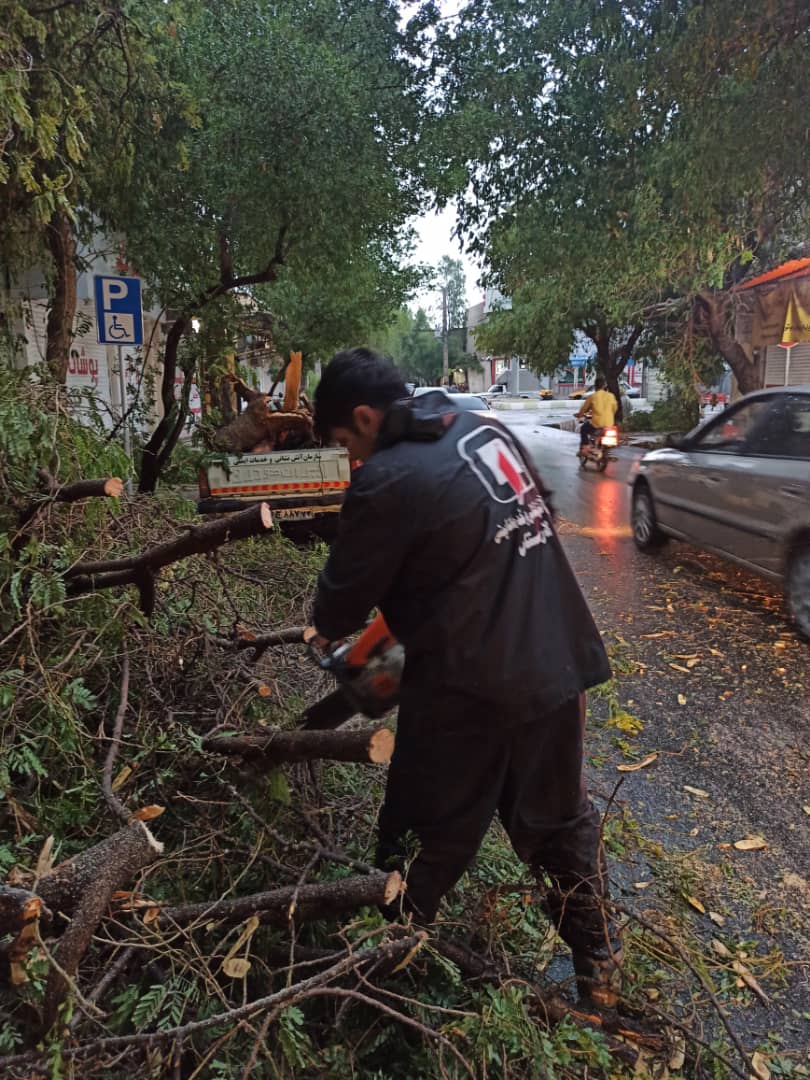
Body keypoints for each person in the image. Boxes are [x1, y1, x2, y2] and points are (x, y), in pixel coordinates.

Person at [310, 347, 622, 1007]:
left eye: (344, 442)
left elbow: (336, 609)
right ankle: (599, 974)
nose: (349, 459)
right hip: (554, 658)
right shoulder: (484, 429)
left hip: (469, 687)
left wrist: (330, 633)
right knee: (557, 824)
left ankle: (380, 978)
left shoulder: (385, 479)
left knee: (419, 833)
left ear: (364, 417)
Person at [575, 376, 618, 456]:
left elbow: (584, 409)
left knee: (583, 429)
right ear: (605, 386)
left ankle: (586, 447)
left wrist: (579, 415)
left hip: (597, 424)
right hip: (609, 424)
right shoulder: (611, 396)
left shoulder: (593, 397)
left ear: (595, 386)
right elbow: (615, 409)